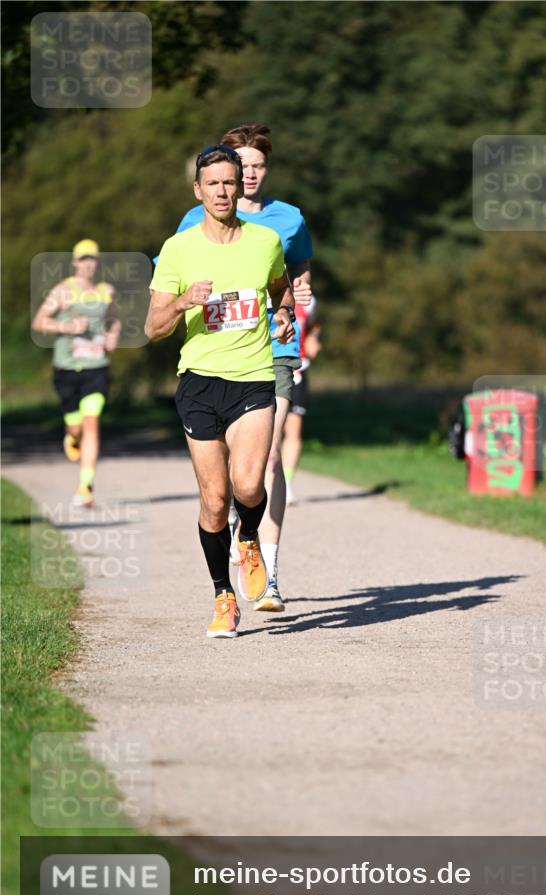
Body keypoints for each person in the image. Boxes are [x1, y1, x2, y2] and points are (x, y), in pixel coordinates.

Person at [145, 145, 296, 639]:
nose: (222, 191)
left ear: (239, 185)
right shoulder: (178, 249)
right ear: (198, 190)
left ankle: (248, 537)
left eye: (230, 182)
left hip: (253, 376)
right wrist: (183, 302)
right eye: (212, 184)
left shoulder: (265, 241)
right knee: (214, 499)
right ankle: (222, 597)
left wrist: (283, 312)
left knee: (249, 485)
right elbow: (152, 327)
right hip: (199, 383)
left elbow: (280, 286)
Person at [175, 124, 312, 614]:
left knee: (267, 462)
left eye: (257, 166)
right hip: (215, 360)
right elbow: (172, 278)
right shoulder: (193, 220)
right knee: (225, 485)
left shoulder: (288, 219)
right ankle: (233, 535)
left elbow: (294, 273)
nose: (248, 175)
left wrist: (296, 299)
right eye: (241, 167)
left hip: (273, 350)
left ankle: (267, 572)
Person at [32, 239, 120, 507]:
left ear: (97, 263)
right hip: (67, 369)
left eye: (92, 259)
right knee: (76, 426)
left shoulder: (106, 291)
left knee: (92, 422)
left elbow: (114, 320)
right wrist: (67, 327)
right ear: (74, 262)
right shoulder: (62, 291)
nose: (87, 264)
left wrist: (112, 336)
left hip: (96, 368)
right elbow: (39, 322)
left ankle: (85, 487)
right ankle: (71, 435)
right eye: (83, 259)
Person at [283, 296, 322, 507]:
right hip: (269, 369)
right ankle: (264, 480)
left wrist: (313, 337)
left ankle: (286, 484)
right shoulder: (264, 289)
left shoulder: (308, 300)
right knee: (267, 430)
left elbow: (313, 325)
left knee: (293, 429)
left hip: (298, 369)